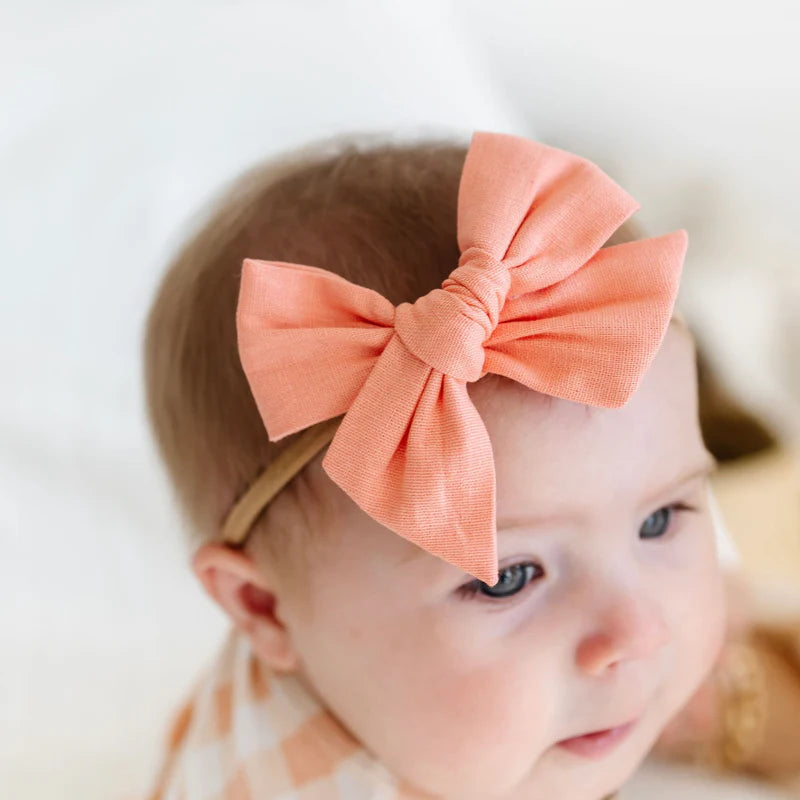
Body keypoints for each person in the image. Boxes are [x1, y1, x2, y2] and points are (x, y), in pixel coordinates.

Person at [140, 131, 793, 800]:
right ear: (263, 607)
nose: (639, 630)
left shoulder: (401, 696)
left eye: (659, 519)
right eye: (508, 578)